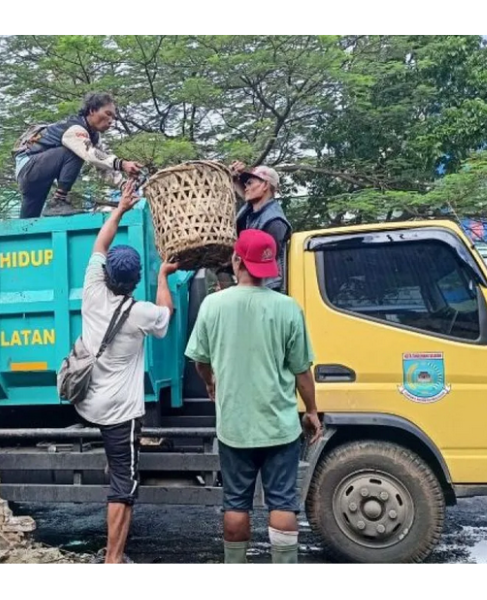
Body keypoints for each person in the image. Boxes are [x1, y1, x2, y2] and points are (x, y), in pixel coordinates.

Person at [184, 228, 322, 564]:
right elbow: (302, 372)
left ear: (236, 260)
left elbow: (200, 360)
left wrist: (211, 382)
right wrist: (312, 411)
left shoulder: (213, 305)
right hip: (279, 427)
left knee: (235, 504)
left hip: (234, 427)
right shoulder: (288, 308)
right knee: (282, 504)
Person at [75, 179, 178, 564]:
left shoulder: (92, 289)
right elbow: (167, 315)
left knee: (116, 463)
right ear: (135, 281)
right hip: (120, 413)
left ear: (106, 276)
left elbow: (101, 245)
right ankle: (113, 562)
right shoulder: (141, 313)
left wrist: (119, 209)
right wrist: (164, 277)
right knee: (124, 484)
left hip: (88, 403)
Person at [15, 92, 142, 218]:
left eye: (114, 117)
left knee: (28, 224)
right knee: (75, 152)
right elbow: (89, 154)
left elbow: (101, 162)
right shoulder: (75, 129)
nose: (111, 121)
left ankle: (21, 234)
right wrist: (122, 164)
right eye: (108, 114)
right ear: (92, 110)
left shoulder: (94, 137)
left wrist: (124, 185)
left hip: (38, 176)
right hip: (29, 167)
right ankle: (58, 201)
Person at [223, 161, 293, 292]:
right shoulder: (253, 210)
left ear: (265, 185)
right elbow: (245, 196)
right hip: (250, 284)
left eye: (250, 183)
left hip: (266, 289)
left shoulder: (274, 222)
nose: (246, 188)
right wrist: (233, 178)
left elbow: (265, 262)